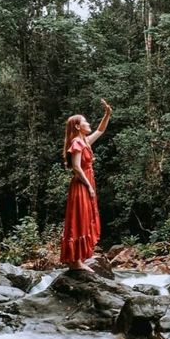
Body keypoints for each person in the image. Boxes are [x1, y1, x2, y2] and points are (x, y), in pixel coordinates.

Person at [60, 99, 113, 271]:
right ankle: (75, 261)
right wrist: (89, 186)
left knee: (84, 218)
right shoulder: (77, 142)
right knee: (79, 219)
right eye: (84, 121)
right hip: (81, 185)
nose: (88, 123)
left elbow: (100, 130)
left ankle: (78, 259)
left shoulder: (84, 142)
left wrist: (107, 114)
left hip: (86, 183)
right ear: (77, 127)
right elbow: (76, 167)